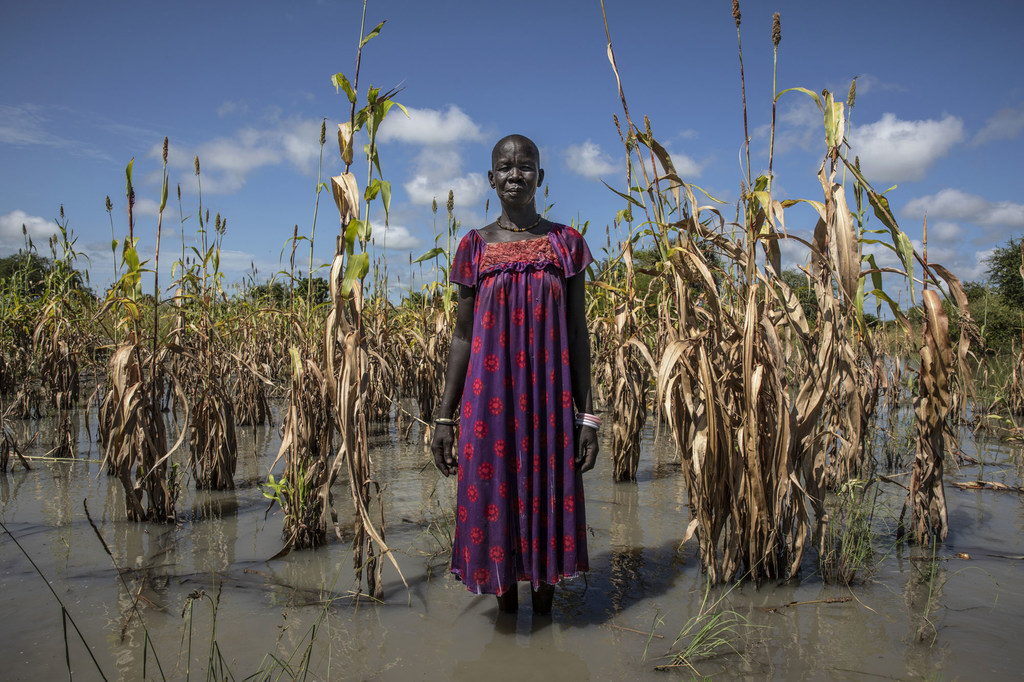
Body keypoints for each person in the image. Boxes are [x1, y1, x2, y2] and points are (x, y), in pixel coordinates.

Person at [430, 134, 599, 614]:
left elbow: (578, 333)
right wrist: (445, 420)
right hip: (489, 404)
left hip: (549, 400)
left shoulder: (566, 244)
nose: (515, 175)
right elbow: (461, 337)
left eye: (526, 166)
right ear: (490, 179)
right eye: (505, 167)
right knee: (495, 504)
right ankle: (507, 614)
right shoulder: (473, 246)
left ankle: (542, 619)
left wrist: (587, 418)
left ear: (540, 178)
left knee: (547, 498)